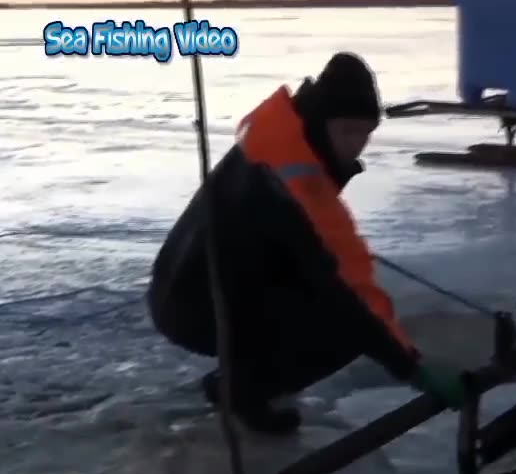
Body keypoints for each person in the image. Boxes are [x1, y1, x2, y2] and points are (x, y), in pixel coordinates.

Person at [146, 51, 466, 436]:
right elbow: (348, 290)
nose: (356, 146)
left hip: (184, 289)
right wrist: (413, 367)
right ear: (321, 121)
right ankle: (244, 390)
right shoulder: (296, 178)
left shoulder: (279, 141)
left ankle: (240, 380)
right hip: (199, 306)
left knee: (316, 295)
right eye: (347, 131)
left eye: (365, 134)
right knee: (346, 325)